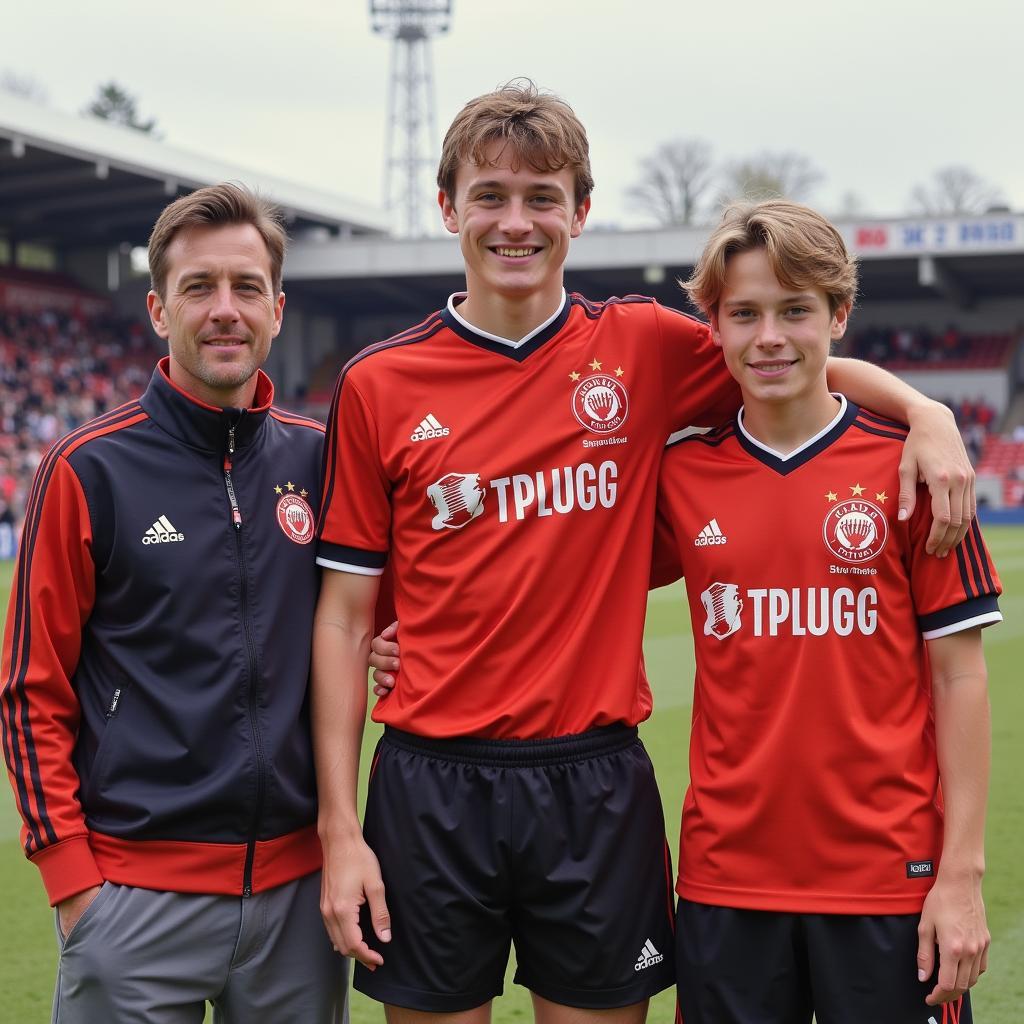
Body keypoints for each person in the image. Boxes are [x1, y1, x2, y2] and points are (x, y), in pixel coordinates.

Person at [313, 81, 976, 1024]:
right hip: (431, 787)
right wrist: (341, 829)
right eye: (490, 195)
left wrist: (926, 413)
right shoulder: (378, 383)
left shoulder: (645, 347)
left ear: (581, 212)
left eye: (543, 198)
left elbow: (790, 353)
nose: (516, 222)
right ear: (446, 206)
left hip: (594, 780)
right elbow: (342, 619)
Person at [1, 183, 347, 1023]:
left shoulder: (321, 460)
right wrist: (73, 880)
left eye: (245, 287)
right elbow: (29, 689)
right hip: (132, 899)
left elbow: (368, 625)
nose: (224, 310)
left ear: (276, 308)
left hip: (299, 903)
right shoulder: (87, 469)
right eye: (199, 288)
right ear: (159, 309)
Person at [656, 200, 1000, 1023]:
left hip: (889, 881)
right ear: (716, 326)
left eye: (796, 310)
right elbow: (564, 571)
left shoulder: (917, 474)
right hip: (725, 880)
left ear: (838, 315)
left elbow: (960, 680)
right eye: (745, 313)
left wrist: (961, 876)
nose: (769, 336)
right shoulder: (681, 475)